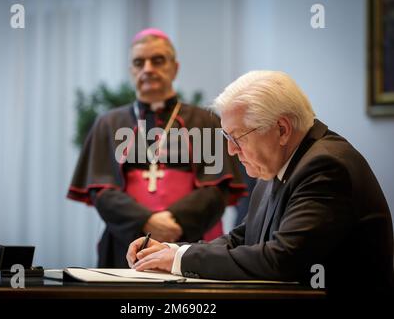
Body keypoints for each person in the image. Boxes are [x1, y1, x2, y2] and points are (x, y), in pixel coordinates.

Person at [127, 70, 394, 295]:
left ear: (281, 129)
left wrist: (179, 260)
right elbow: (244, 239)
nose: (231, 151)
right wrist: (172, 251)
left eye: (237, 137)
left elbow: (282, 259)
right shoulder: (281, 162)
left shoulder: (325, 167)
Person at [67, 28, 246, 268]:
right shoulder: (108, 124)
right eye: (139, 62)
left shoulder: (205, 121)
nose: (148, 69)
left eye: (158, 60)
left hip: (192, 243)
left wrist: (174, 221)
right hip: (124, 244)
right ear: (131, 70)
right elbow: (100, 191)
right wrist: (146, 221)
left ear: (175, 67)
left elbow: (217, 189)